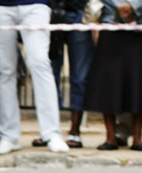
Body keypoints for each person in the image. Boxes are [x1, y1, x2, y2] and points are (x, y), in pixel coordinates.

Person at [0, 0, 67, 153]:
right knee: (5, 69)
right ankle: (8, 136)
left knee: (40, 63)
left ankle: (52, 133)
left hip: (35, 4)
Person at [83, 0, 142, 150]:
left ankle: (138, 138)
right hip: (111, 23)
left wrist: (134, 7)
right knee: (109, 82)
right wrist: (119, 6)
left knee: (140, 82)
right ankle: (110, 137)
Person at [47, 0, 91, 147]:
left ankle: (75, 131)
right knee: (50, 76)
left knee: (79, 77)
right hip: (51, 12)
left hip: (80, 13)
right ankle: (51, 130)